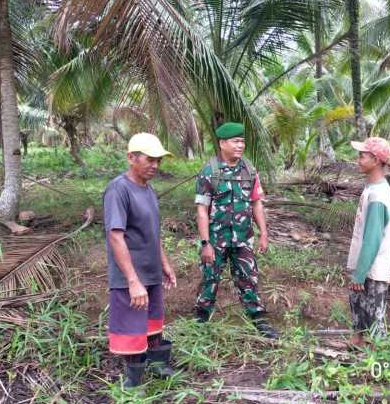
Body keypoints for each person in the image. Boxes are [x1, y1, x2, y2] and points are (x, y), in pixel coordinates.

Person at [103, 133, 177, 387]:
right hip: (130, 275)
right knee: (132, 328)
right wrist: (132, 280)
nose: (155, 165)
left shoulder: (148, 189)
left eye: (158, 160)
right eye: (150, 159)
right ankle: (132, 383)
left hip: (151, 270)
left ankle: (158, 367)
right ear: (131, 158)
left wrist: (164, 263)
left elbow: (152, 231)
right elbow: (115, 237)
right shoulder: (118, 189)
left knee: (153, 321)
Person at [193, 122, 279, 339]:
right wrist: (205, 243)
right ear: (222, 143)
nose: (240, 145)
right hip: (216, 239)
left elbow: (257, 203)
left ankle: (258, 318)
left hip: (243, 239)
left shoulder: (249, 170)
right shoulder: (209, 171)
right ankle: (200, 320)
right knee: (210, 278)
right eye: (235, 141)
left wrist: (264, 233)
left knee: (248, 278)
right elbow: (202, 210)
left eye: (242, 141)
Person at [346, 137, 390, 348]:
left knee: (374, 321)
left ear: (375, 160)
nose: (358, 160)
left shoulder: (378, 196)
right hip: (364, 266)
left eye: (362, 156)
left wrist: (360, 272)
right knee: (359, 317)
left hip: (372, 270)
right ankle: (356, 345)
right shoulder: (372, 188)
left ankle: (378, 368)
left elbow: (373, 239)